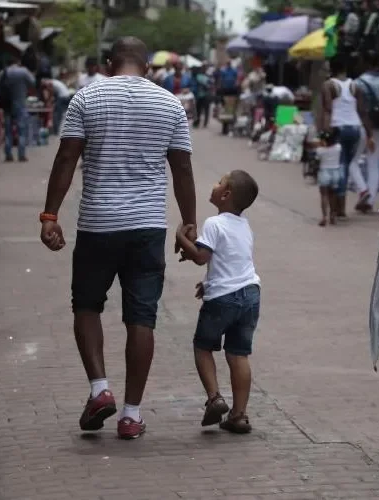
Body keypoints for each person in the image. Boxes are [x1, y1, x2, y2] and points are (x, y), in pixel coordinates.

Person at [39, 36, 197, 440]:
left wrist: (50, 215)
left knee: (87, 306)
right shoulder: (169, 103)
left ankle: (99, 390)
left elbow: (67, 158)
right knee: (141, 318)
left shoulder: (86, 98)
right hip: (147, 227)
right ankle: (131, 414)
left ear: (110, 64)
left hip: (98, 223)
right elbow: (182, 170)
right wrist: (189, 224)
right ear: (147, 66)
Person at [174, 170, 261, 434]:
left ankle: (215, 398)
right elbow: (229, 262)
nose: (214, 184)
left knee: (203, 347)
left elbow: (202, 257)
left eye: (219, 182)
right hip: (250, 293)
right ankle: (239, 415)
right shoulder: (244, 225)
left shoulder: (214, 222)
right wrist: (209, 282)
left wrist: (180, 237)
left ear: (225, 195)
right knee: (238, 354)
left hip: (223, 299)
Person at [350, 50, 379, 214]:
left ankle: (363, 190)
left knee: (352, 160)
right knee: (374, 163)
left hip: (364, 125)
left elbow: (357, 107)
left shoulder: (358, 82)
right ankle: (369, 201)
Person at [320, 55, 362, 218]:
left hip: (338, 127)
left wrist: (325, 132)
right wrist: (369, 134)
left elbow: (327, 110)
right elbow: (361, 110)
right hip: (355, 128)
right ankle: (340, 207)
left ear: (332, 68)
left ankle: (338, 208)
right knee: (347, 163)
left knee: (340, 166)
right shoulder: (355, 85)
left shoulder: (329, 85)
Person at [0, 55, 36, 162]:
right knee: (21, 130)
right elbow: (33, 82)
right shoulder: (23, 71)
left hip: (7, 105)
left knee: (8, 131)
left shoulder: (3, 72)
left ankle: (8, 154)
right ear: (17, 62)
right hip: (20, 104)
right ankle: (21, 154)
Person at [315, 133, 343, 226]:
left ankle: (324, 217)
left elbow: (317, 159)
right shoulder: (338, 148)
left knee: (324, 195)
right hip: (335, 172)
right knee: (333, 195)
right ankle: (333, 216)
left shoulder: (320, 150)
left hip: (324, 172)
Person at [49, 70, 71, 136]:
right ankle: (63, 130)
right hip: (67, 96)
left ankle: (56, 131)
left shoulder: (50, 83)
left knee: (57, 114)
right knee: (64, 114)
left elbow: (51, 93)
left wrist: (49, 101)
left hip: (62, 97)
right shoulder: (57, 81)